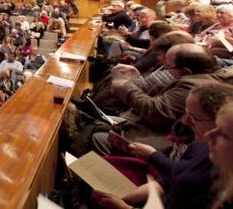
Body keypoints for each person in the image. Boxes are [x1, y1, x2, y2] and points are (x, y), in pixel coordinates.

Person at [94, 83, 233, 209]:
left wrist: (124, 207)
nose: (184, 121)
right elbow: (172, 178)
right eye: (186, 113)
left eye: (193, 117)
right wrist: (127, 198)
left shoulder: (221, 183)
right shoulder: (201, 144)